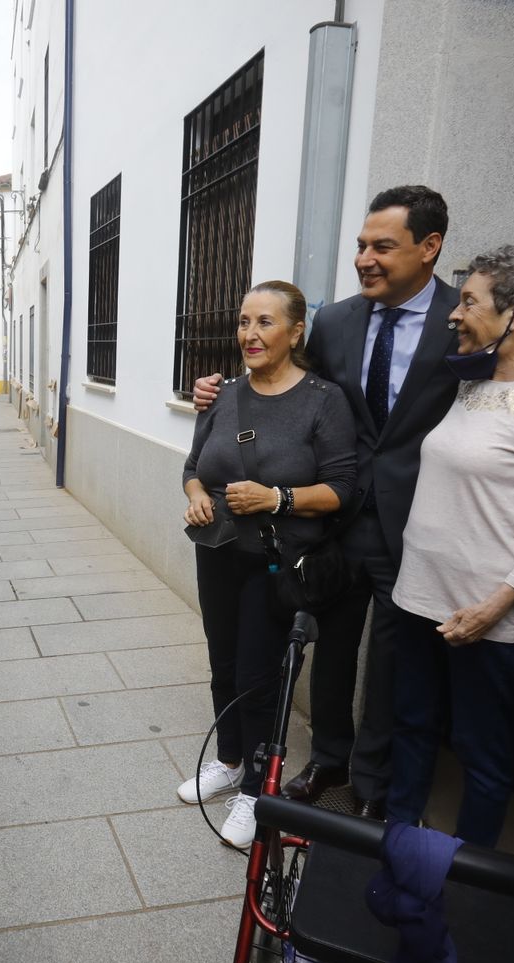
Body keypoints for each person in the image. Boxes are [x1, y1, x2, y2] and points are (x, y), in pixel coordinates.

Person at [192, 186, 514, 818]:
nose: (365, 259)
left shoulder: (466, 319)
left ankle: (374, 781)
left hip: (419, 525)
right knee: (330, 647)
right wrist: (219, 391)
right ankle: (328, 755)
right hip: (335, 518)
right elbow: (291, 385)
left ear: (429, 247)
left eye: (382, 246)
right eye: (361, 245)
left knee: (390, 663)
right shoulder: (335, 320)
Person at [384, 242, 514, 848]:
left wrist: (496, 606)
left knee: (481, 749)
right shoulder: (473, 382)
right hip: (418, 597)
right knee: (412, 725)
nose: (455, 312)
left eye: (471, 301)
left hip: (484, 614)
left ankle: (471, 870)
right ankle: (397, 839)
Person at [179, 280, 357, 849]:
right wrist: (194, 495)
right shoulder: (223, 394)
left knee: (260, 677)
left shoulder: (323, 400)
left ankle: (259, 789)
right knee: (222, 661)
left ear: (296, 330)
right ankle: (229, 759)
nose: (249, 335)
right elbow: (193, 465)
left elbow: (343, 488)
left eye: (265, 323)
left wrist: (275, 498)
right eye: (243, 322)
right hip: (218, 553)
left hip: (276, 564)